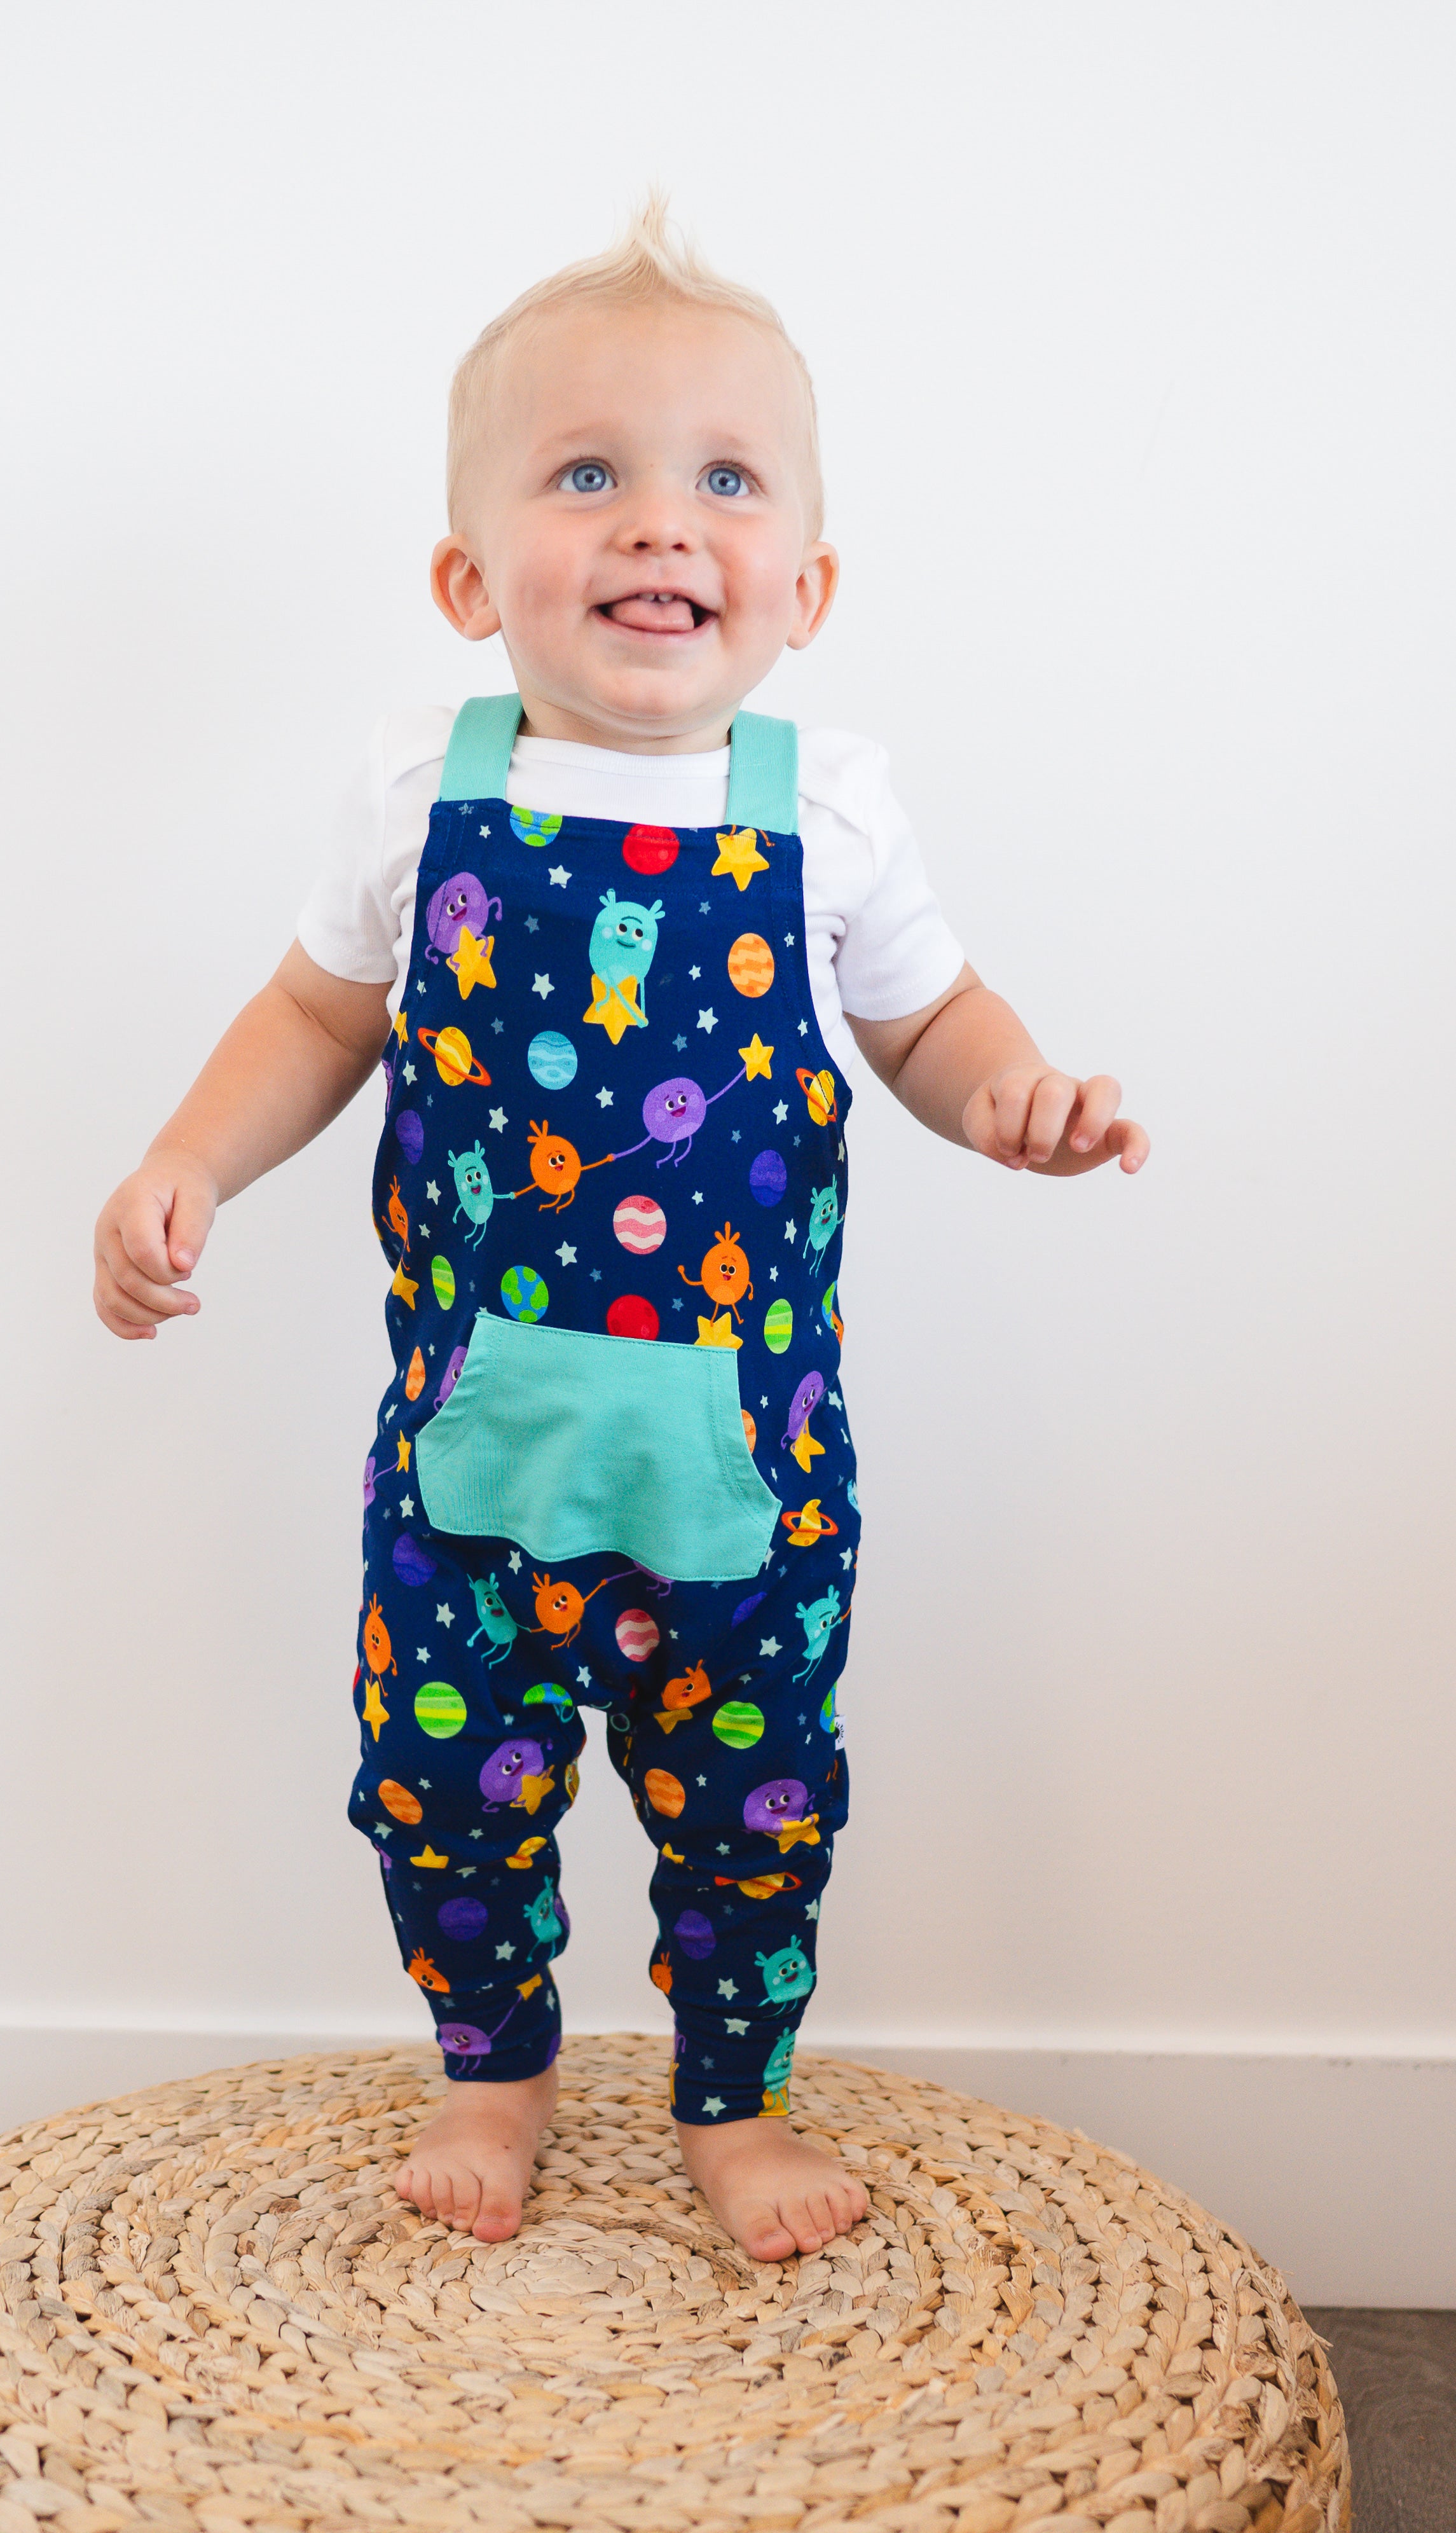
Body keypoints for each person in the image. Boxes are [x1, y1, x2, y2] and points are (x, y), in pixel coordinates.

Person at [93, 198, 1148, 2265]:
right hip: (472, 1455)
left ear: (806, 583)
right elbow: (318, 1013)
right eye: (589, 474)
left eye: (724, 481)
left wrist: (1009, 1099)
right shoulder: (422, 784)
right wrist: (189, 1161)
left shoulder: (822, 805)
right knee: (444, 1788)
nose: (661, 525)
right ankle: (493, 2064)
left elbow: (928, 1021)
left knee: (749, 1812)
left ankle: (732, 2102)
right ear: (467, 576)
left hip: (740, 1468)